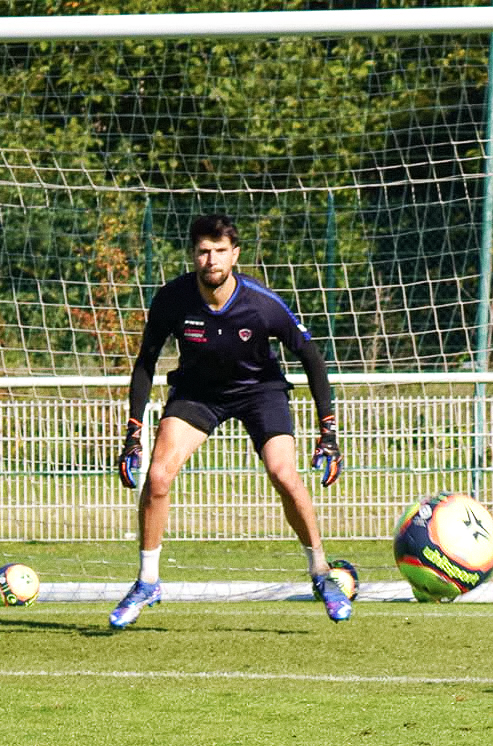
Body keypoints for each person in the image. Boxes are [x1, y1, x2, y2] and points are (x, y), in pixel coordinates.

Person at [110, 213, 350, 628]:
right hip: (197, 394)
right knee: (159, 476)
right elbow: (145, 363)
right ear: (193, 256)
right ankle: (147, 582)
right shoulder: (172, 299)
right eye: (203, 251)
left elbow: (310, 357)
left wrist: (327, 430)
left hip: (260, 392)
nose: (211, 259)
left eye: (220, 251)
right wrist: (133, 432)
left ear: (235, 255)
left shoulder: (262, 303)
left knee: (284, 474)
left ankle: (322, 575)